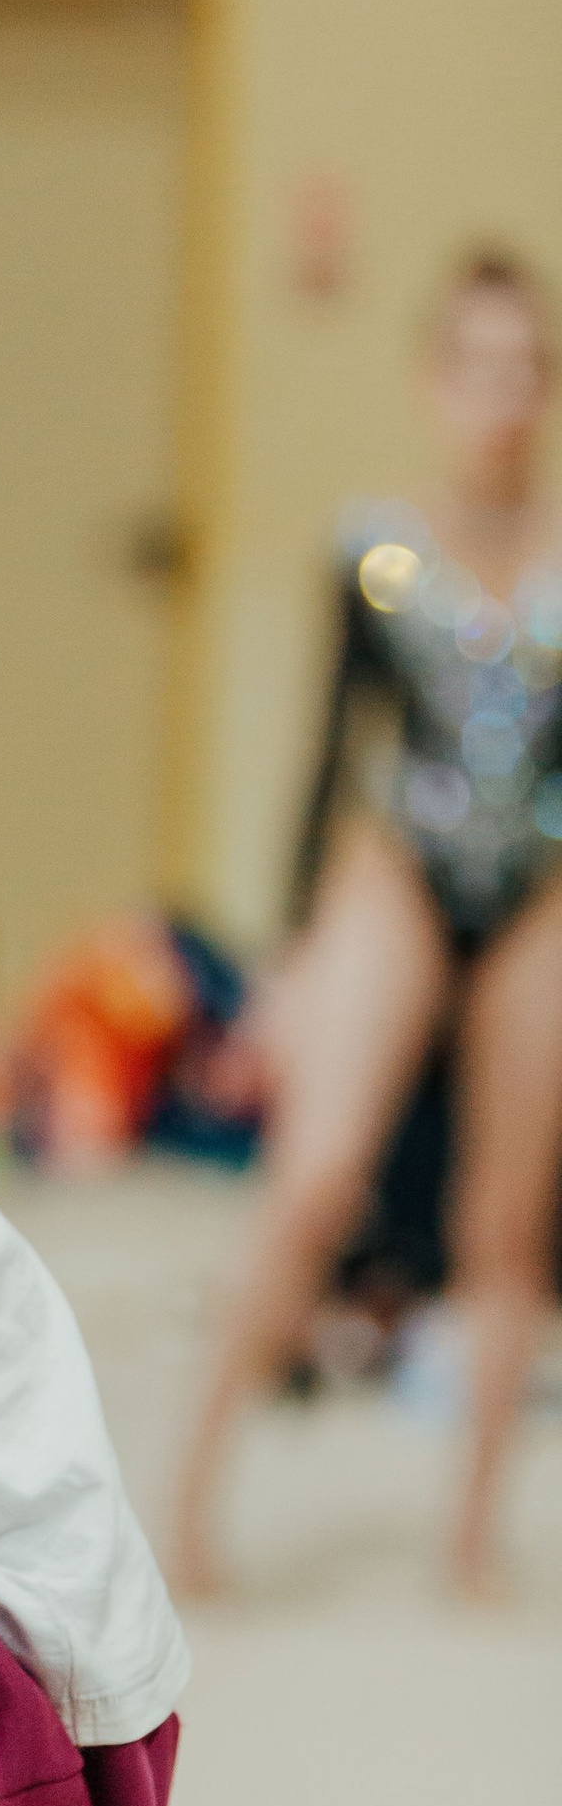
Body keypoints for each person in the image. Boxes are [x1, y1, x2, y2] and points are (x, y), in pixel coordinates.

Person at [171, 247, 562, 1595]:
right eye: (475, 365)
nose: (499, 395)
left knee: (504, 1222)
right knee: (319, 1172)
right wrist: (291, 950)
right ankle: (189, 1506)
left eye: (525, 369)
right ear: (432, 382)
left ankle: (470, 1534)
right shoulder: (378, 545)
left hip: (538, 893)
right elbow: (333, 748)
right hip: (395, 865)